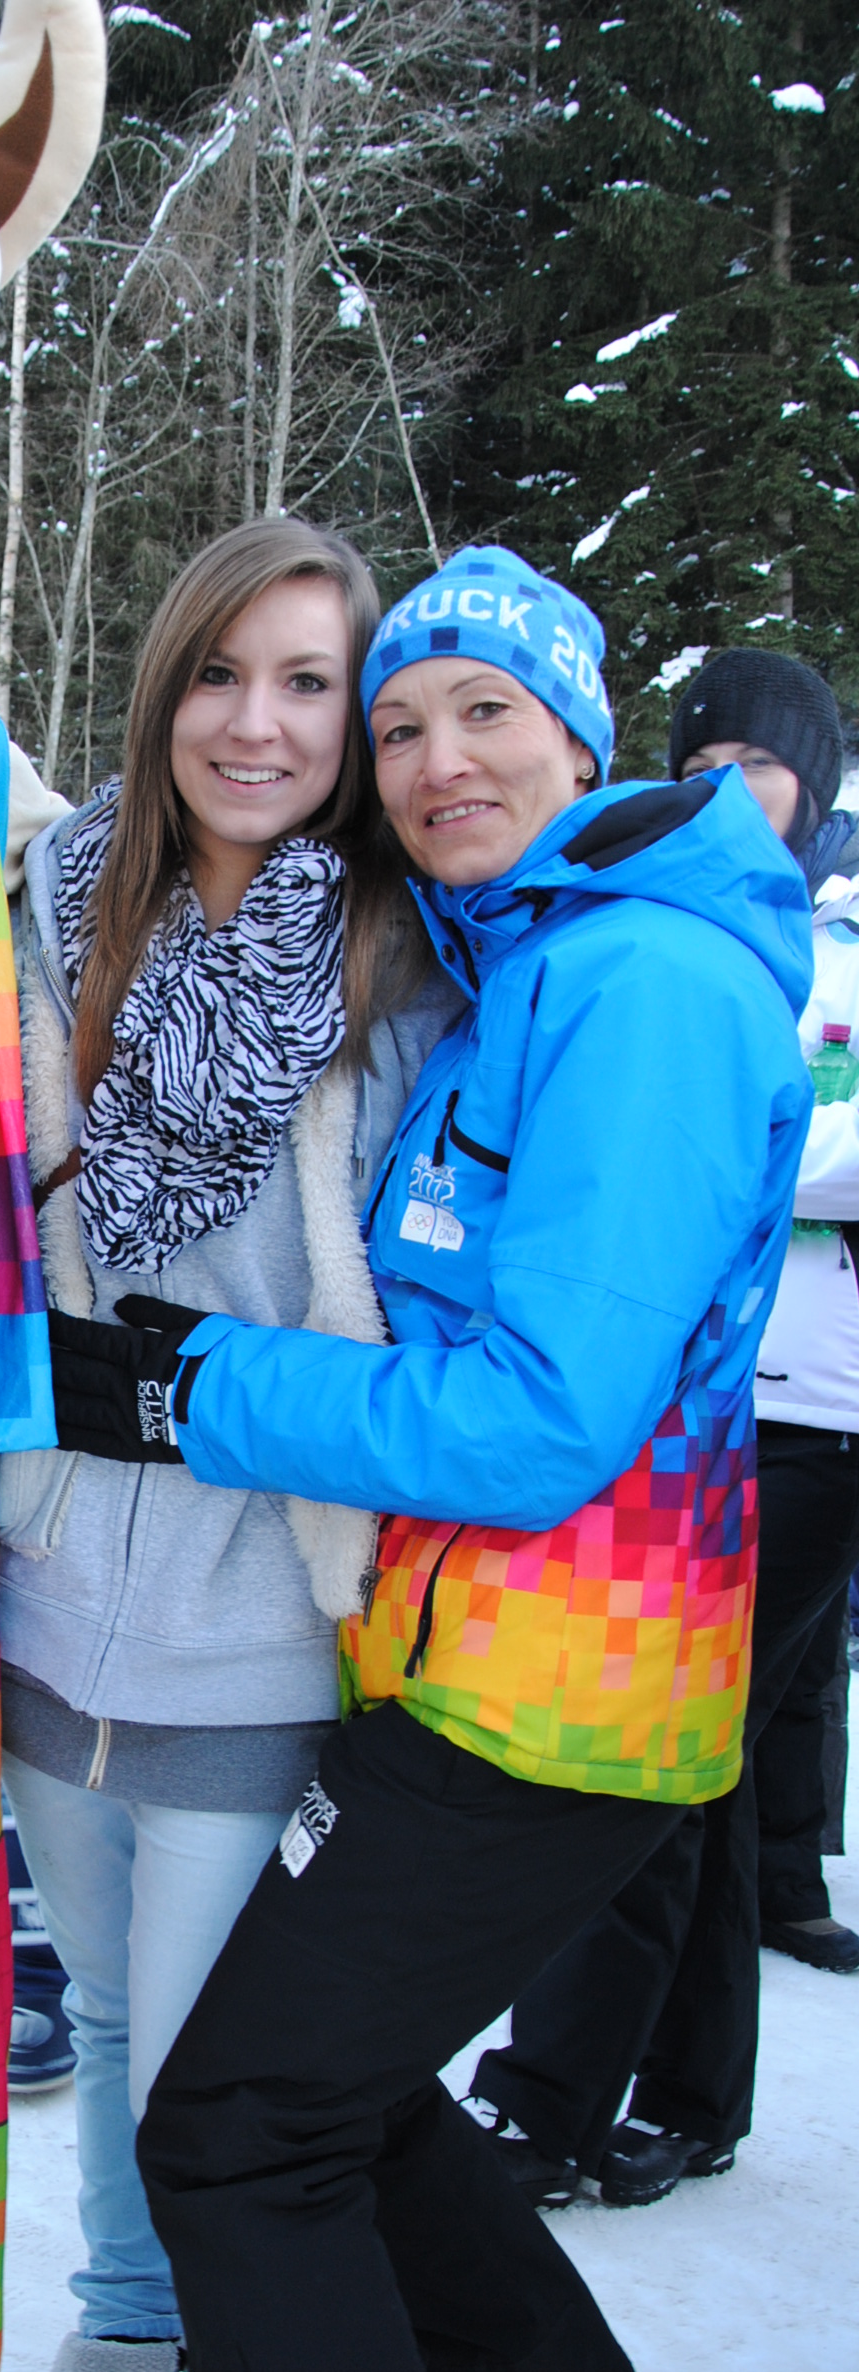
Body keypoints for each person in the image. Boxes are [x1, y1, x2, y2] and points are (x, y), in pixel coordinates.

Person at [47, 546, 811, 2372]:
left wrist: (181, 1387)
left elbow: (535, 1420)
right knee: (332, 2078)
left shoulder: (642, 986)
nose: (437, 758)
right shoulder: (535, 958)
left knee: (236, 2124)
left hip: (552, 1703)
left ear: (586, 736)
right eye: (405, 724)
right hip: (493, 1675)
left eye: (487, 711)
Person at [0, 518, 456, 2372]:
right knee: (105, 2021)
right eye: (219, 672)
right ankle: (123, 2370)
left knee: (220, 2070)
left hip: (264, 1609)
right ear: (162, 683)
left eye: (307, 683)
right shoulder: (50, 905)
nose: (254, 724)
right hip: (51, 1589)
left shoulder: (396, 963)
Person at [467, 646, 859, 2213]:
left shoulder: (808, 944)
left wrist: (749, 1139)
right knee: (702, 1765)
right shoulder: (672, 929)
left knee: (657, 1768)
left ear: (812, 781)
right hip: (714, 1410)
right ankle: (687, 2091)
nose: (724, 792)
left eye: (755, 765)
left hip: (814, 1421)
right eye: (697, 764)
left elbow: (786, 1144)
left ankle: (566, 2100)